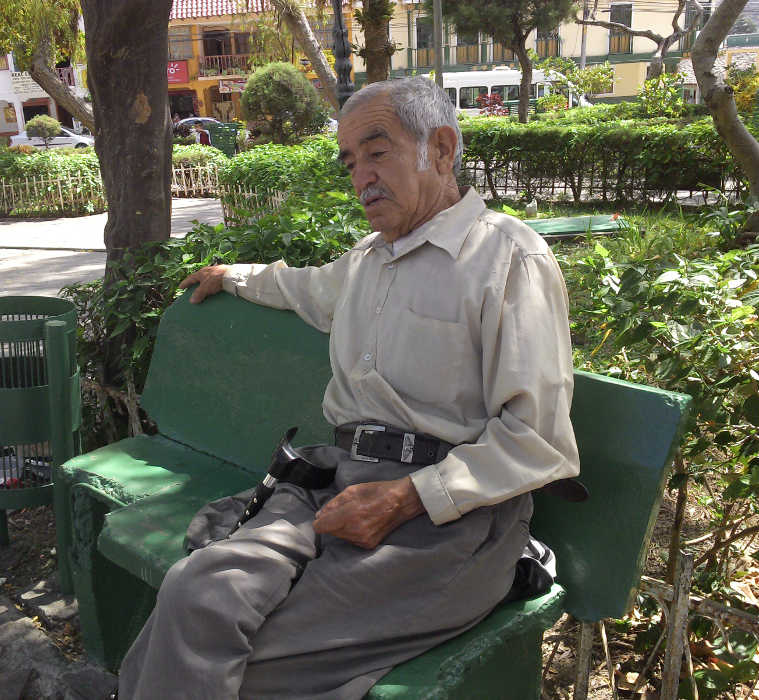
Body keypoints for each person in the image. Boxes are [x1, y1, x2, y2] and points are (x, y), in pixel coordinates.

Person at [118, 76, 580, 699]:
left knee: (238, 666)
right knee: (195, 594)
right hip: (336, 485)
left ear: (442, 149)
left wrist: (405, 498)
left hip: (448, 523)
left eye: (377, 152)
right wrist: (231, 276)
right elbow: (301, 287)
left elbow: (537, 440)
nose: (362, 177)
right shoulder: (368, 259)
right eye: (350, 162)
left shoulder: (507, 258)